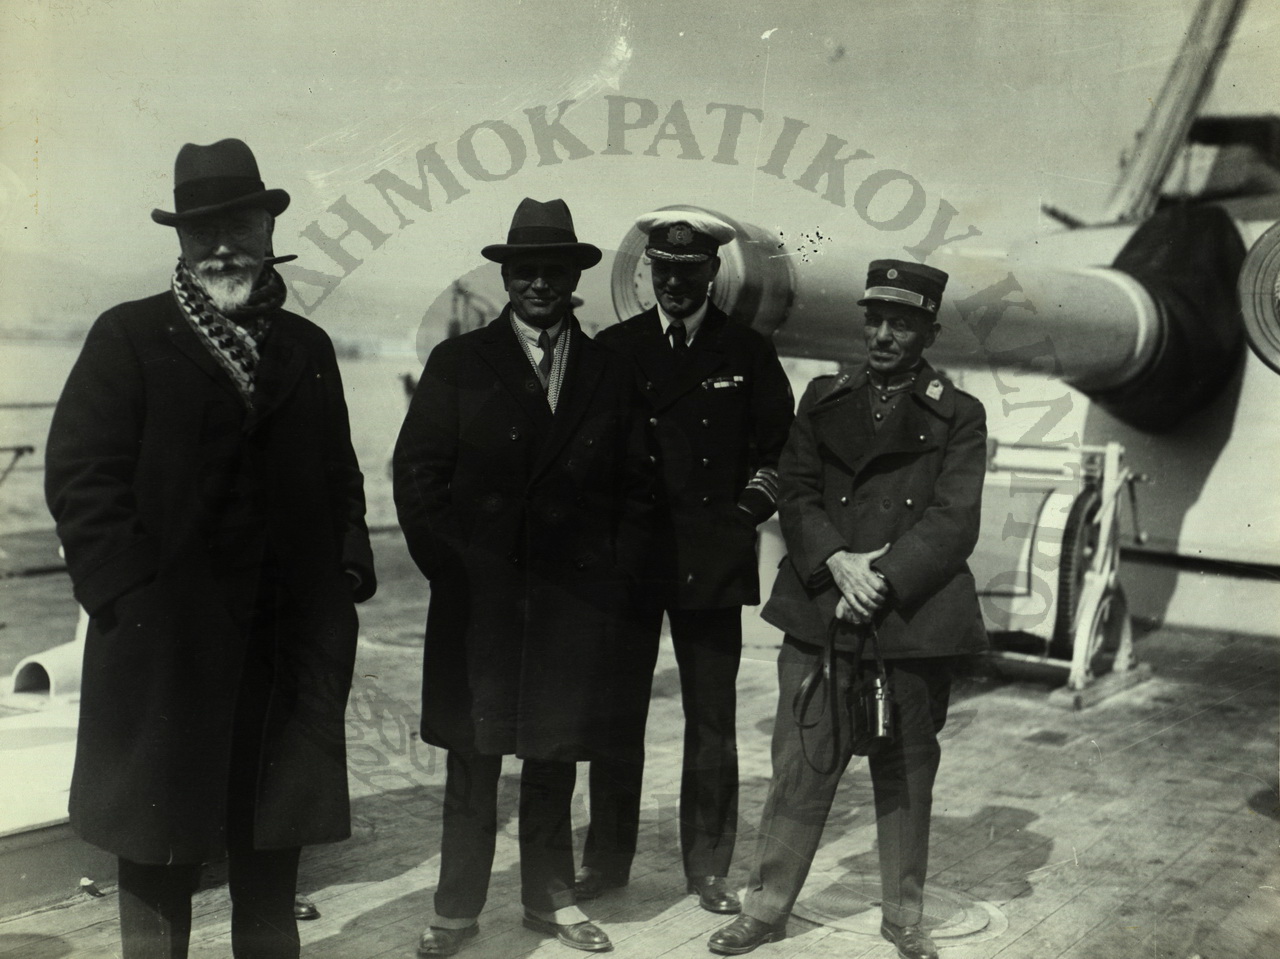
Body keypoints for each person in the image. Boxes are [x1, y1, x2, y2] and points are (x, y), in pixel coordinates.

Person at [44, 138, 377, 959]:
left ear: (269, 230)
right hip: (164, 655)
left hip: (283, 652)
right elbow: (81, 478)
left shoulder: (307, 348)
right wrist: (129, 600)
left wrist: (344, 579)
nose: (222, 246)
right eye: (202, 231)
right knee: (158, 856)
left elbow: (341, 477)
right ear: (181, 240)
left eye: (238, 225)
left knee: (271, 855)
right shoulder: (128, 336)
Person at [707, 260, 989, 959]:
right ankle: (764, 908)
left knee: (906, 772)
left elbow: (955, 519)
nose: (884, 335)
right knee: (801, 766)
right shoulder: (823, 397)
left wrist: (881, 578)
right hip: (821, 608)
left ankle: (905, 916)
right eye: (876, 320)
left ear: (929, 331)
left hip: (910, 619)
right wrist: (838, 562)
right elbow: (797, 491)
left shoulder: (959, 413)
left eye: (902, 323)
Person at [394, 197, 651, 955]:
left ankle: (550, 899)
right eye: (526, 270)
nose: (540, 283)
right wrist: (455, 570)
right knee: (473, 759)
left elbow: (638, 489)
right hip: (481, 600)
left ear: (574, 280)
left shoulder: (608, 370)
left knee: (554, 754)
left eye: (554, 271)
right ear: (506, 279)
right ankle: (455, 910)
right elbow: (417, 476)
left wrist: (610, 581)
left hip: (575, 603)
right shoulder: (459, 364)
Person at [580, 210, 794, 914]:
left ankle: (708, 867)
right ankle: (607, 860)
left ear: (712, 272)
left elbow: (780, 454)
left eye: (689, 270)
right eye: (664, 270)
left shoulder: (748, 352)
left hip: (712, 558)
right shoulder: (614, 349)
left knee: (711, 721)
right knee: (618, 716)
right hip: (631, 561)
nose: (674, 283)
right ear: (651, 271)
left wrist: (742, 516)